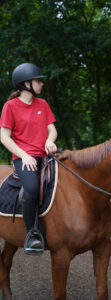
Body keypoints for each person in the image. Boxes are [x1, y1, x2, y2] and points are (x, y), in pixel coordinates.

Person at [0, 63, 57, 255]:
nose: (41, 84)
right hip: (24, 158)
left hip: (46, 155)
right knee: (31, 190)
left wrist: (49, 140)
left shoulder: (43, 104)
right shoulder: (10, 107)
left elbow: (52, 129)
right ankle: (32, 233)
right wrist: (24, 155)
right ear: (26, 84)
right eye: (38, 81)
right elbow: (4, 137)